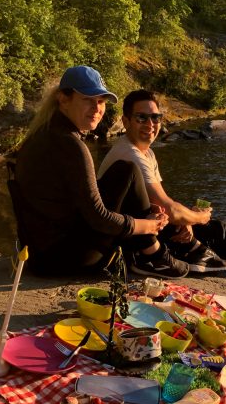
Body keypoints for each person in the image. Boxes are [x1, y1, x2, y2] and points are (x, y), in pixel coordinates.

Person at [98, 89, 226, 282]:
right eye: (141, 117)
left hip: (147, 224)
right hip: (135, 238)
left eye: (155, 117)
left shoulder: (146, 152)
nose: (150, 124)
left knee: (212, 230)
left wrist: (185, 220)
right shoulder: (130, 154)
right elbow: (168, 208)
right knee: (216, 231)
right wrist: (197, 217)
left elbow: (162, 202)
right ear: (126, 121)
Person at [11, 67, 189, 279]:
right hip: (64, 261)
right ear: (64, 99)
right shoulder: (69, 144)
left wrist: (139, 209)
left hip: (41, 255)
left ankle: (149, 251)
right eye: (88, 99)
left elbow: (83, 199)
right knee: (128, 171)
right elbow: (99, 218)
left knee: (124, 172)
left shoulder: (45, 134)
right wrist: (147, 226)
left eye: (101, 101)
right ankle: (153, 254)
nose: (97, 108)